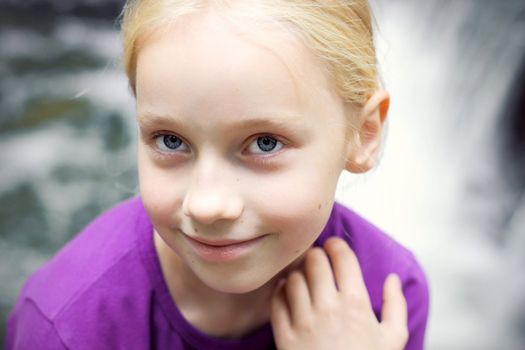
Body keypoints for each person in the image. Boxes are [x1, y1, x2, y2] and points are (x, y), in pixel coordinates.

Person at [5, 0, 430, 349]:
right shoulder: (67, 327)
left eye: (265, 143)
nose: (206, 205)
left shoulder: (386, 301)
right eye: (170, 140)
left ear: (364, 134)